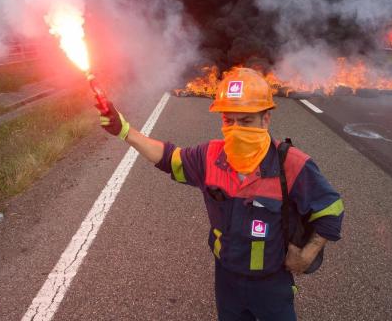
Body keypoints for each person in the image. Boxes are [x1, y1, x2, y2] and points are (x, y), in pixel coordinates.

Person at [99, 67, 344, 320]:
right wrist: (124, 131)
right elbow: (168, 158)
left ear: (266, 119)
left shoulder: (292, 164)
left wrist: (307, 254)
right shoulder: (210, 157)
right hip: (226, 280)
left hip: (271, 284)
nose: (236, 129)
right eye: (229, 120)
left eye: (246, 120)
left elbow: (331, 209)